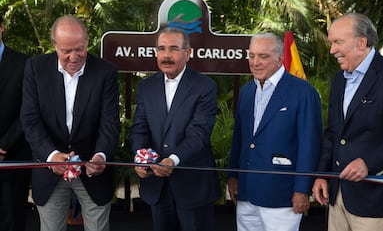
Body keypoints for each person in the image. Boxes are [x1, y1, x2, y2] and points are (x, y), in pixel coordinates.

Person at [312, 12, 383, 231]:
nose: (332, 50)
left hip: (375, 200)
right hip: (338, 197)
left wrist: (368, 162)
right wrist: (322, 174)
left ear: (361, 42)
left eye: (338, 42)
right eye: (331, 43)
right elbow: (333, 133)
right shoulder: (340, 79)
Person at [20, 15, 120, 231]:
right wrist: (51, 156)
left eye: (80, 49)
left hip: (92, 170)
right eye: (67, 51)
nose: (74, 57)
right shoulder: (35, 68)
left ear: (87, 42)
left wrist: (101, 155)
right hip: (49, 170)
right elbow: (30, 120)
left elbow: (109, 122)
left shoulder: (106, 72)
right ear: (54, 46)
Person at [227, 32, 323, 231]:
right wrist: (233, 176)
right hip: (246, 192)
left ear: (280, 58)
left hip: (282, 196)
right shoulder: (247, 91)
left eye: (263, 56)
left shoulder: (303, 92)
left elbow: (309, 145)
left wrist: (302, 190)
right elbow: (240, 139)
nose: (255, 62)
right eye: (252, 56)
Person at [129, 27, 221, 231]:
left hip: (193, 188)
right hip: (156, 187)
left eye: (173, 49)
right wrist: (141, 158)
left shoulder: (205, 86)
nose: (166, 55)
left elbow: (199, 133)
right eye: (161, 49)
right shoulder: (147, 87)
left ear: (188, 53)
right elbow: (139, 129)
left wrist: (173, 160)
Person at [0, 14, 32, 231]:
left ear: (1, 27)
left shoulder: (24, 64)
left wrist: (4, 145)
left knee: (11, 223)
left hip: (11, 159)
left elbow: (29, 110)